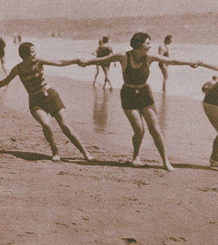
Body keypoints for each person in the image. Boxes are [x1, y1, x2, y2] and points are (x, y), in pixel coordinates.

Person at [82, 32, 200, 170]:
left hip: (145, 93)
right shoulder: (123, 56)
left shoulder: (149, 57)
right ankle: (136, 156)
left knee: (155, 129)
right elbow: (102, 59)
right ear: (139, 44)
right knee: (139, 130)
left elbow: (170, 61)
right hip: (128, 94)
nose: (150, 46)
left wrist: (190, 63)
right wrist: (85, 62)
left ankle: (165, 160)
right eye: (148, 43)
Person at [0, 42, 93, 162]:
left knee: (65, 125)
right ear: (24, 55)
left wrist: (74, 60)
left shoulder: (38, 62)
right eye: (32, 52)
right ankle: (54, 149)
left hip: (51, 96)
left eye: (35, 51)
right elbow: (6, 80)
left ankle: (85, 152)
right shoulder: (18, 69)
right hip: (35, 102)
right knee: (46, 124)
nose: (35, 54)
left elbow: (58, 62)